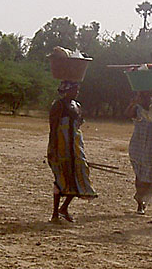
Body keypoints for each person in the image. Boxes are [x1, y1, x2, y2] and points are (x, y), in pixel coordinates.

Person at [47, 81, 97, 222]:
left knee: (79, 175)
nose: (77, 92)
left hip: (75, 146)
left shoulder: (77, 106)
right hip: (61, 146)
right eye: (74, 89)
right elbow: (53, 127)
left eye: (77, 89)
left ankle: (64, 208)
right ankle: (55, 214)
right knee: (61, 177)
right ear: (66, 90)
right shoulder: (58, 105)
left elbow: (78, 125)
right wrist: (53, 148)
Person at [125, 70, 152, 215]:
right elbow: (127, 114)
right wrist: (133, 103)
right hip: (138, 145)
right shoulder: (136, 109)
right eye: (143, 95)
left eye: (149, 95)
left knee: (151, 174)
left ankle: (145, 199)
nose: (146, 97)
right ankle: (140, 202)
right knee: (140, 174)